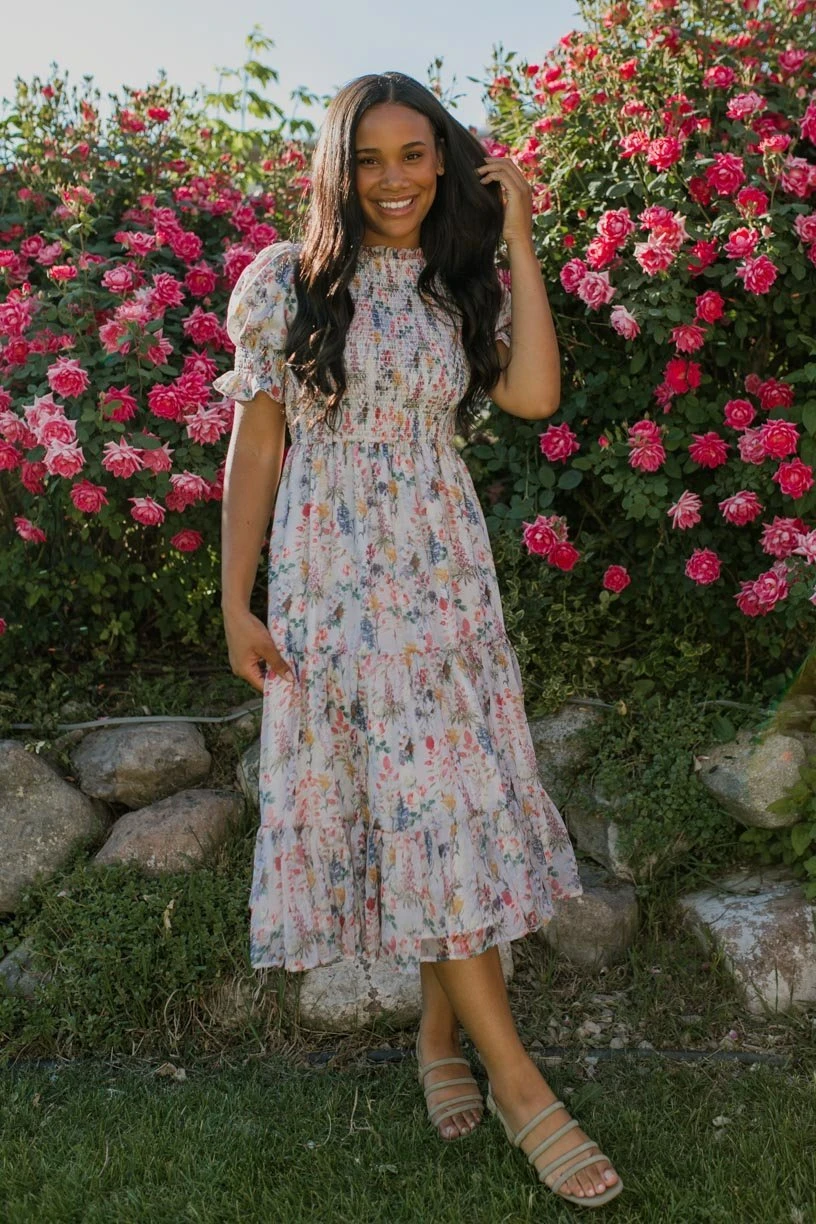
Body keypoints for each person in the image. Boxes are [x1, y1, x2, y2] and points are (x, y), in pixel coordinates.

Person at [213, 70, 622, 1209]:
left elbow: (534, 396)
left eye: (414, 154)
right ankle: (521, 1086)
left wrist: (520, 237)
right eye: (368, 159)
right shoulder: (283, 283)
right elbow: (257, 447)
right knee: (411, 805)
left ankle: (445, 1041)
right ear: (337, 170)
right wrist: (235, 599)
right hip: (333, 590)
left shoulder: (459, 280)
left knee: (446, 806)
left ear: (444, 160)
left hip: (443, 583)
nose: (392, 180)